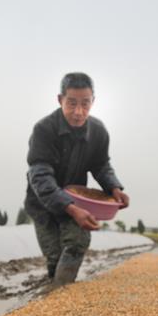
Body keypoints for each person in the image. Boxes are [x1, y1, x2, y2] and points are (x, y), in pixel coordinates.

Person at [24, 72, 129, 286]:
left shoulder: (98, 132)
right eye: (71, 103)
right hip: (43, 203)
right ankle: (54, 293)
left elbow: (100, 165)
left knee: (77, 242)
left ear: (93, 102)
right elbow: (41, 176)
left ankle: (61, 294)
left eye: (85, 104)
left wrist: (114, 187)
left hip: (78, 201)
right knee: (54, 256)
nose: (79, 112)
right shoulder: (44, 130)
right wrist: (70, 208)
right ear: (60, 99)